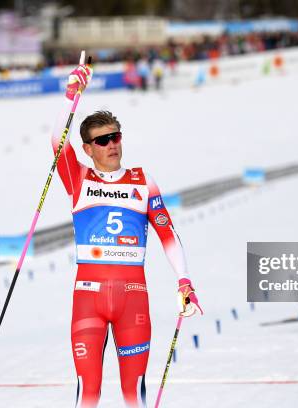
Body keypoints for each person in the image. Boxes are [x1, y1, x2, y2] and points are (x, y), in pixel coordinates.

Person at [52, 63, 203, 407]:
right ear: (88, 148)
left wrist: (184, 280)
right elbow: (56, 142)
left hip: (133, 300)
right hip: (88, 298)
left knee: (133, 394)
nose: (112, 145)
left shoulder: (142, 180)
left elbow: (168, 234)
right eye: (102, 140)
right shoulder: (79, 179)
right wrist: (70, 96)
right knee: (88, 391)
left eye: (116, 136)